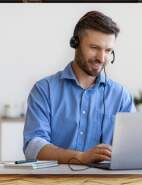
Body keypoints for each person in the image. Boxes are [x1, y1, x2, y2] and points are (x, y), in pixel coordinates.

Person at [23, 11, 135, 165]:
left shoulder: (121, 96)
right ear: (75, 44)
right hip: (54, 184)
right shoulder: (44, 90)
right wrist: (80, 157)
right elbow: (33, 148)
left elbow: (132, 148)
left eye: (108, 51)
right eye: (95, 47)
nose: (101, 58)